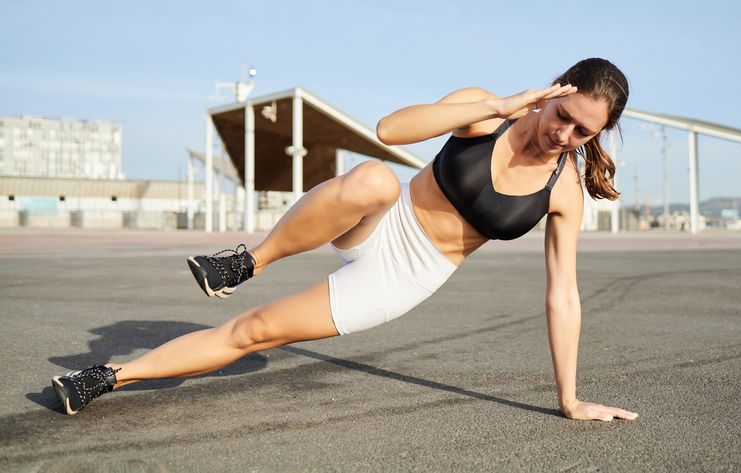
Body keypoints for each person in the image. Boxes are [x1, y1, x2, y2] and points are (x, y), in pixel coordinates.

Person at [52, 58, 638, 422]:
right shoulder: (487, 113)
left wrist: (571, 399)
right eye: (561, 113)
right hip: (383, 217)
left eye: (582, 131)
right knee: (377, 178)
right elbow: (389, 130)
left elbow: (564, 296)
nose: (562, 133)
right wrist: (500, 105)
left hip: (406, 277)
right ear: (554, 90)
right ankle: (246, 260)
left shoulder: (565, 192)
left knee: (255, 331)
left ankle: (108, 377)